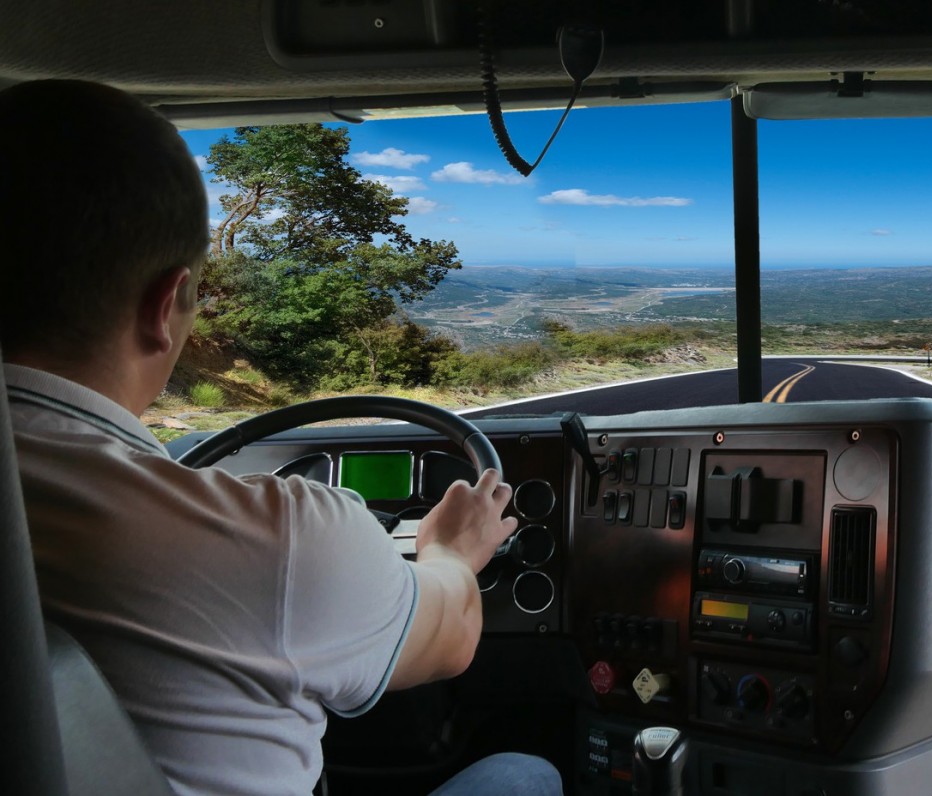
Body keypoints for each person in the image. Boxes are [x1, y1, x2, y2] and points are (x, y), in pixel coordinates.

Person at [0, 80, 561, 796]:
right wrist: (452, 549)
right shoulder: (285, 534)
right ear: (165, 306)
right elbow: (451, 635)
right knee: (524, 773)